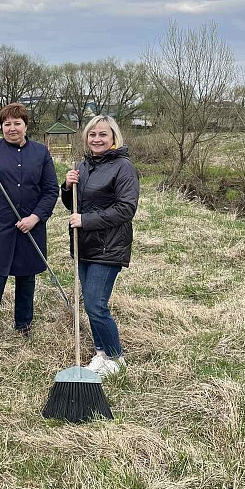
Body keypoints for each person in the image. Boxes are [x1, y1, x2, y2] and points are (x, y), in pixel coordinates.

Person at [0, 103, 59, 342]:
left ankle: (23, 325)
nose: (12, 128)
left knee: (26, 279)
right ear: (1, 127)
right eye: (7, 124)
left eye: (17, 123)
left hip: (30, 227)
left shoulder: (41, 153)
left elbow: (50, 191)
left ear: (26, 126)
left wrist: (35, 218)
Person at [61, 115, 139, 378]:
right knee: (91, 303)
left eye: (102, 134)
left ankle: (116, 358)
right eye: (92, 135)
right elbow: (73, 206)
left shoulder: (123, 167)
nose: (97, 139)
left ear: (113, 137)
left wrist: (85, 220)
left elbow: (126, 209)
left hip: (108, 247)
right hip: (84, 246)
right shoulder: (83, 165)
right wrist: (67, 187)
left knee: (96, 304)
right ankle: (101, 353)